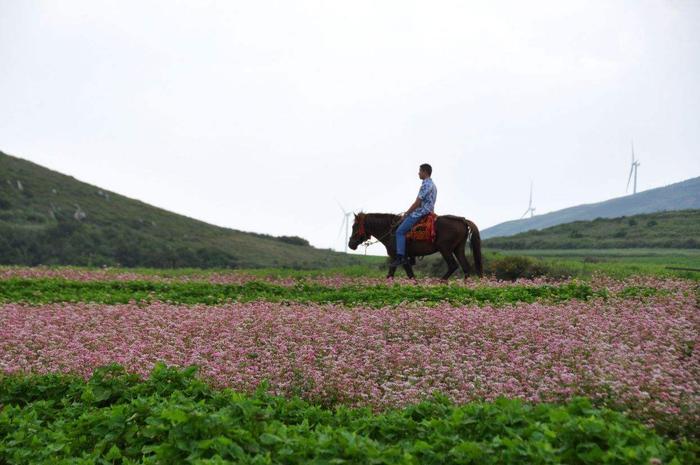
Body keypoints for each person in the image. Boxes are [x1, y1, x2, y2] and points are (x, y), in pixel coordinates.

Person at [390, 163, 437, 267]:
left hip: (420, 212)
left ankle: (400, 258)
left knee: (400, 232)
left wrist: (406, 214)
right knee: (409, 232)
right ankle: (411, 257)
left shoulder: (425, 184)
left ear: (425, 172)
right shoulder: (433, 185)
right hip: (430, 212)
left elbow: (417, 203)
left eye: (420, 171)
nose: (418, 173)